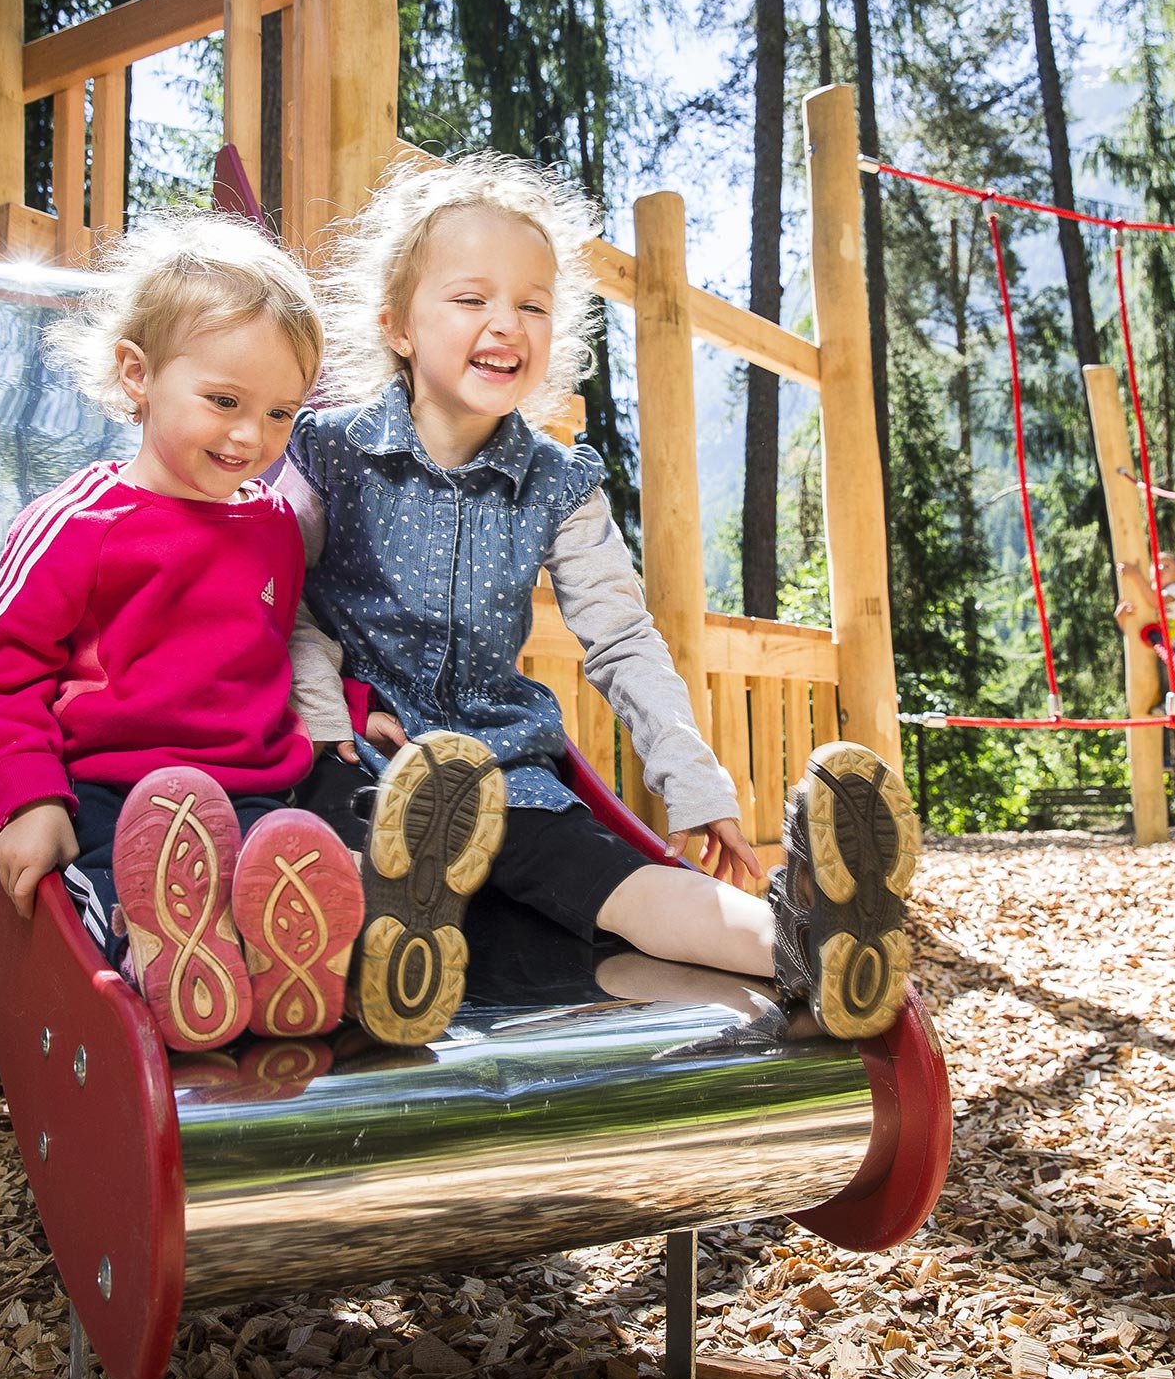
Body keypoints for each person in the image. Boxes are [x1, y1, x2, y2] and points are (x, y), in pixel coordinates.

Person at [281, 151, 919, 1047]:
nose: (506, 323)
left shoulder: (556, 482)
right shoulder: (327, 452)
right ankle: (394, 950)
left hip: (503, 774)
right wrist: (324, 722)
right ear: (396, 325)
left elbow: (619, 635)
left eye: (532, 304)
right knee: (331, 853)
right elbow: (291, 604)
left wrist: (693, 784)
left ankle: (808, 938)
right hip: (361, 762)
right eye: (470, 300)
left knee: (632, 890)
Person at [0, 212, 367, 1054]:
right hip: (117, 792)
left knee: (286, 863)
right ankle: (157, 959)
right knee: (134, 874)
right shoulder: (82, 520)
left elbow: (280, 643)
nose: (253, 436)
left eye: (281, 413)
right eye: (224, 402)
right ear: (137, 376)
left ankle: (282, 966)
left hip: (253, 790)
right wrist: (27, 797)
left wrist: (351, 710)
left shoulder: (274, 527)